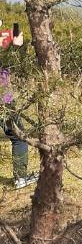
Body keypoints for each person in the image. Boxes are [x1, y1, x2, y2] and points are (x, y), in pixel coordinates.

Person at [1, 21, 36, 190]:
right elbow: (9, 63)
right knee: (19, 137)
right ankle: (20, 178)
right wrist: (16, 46)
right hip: (4, 99)